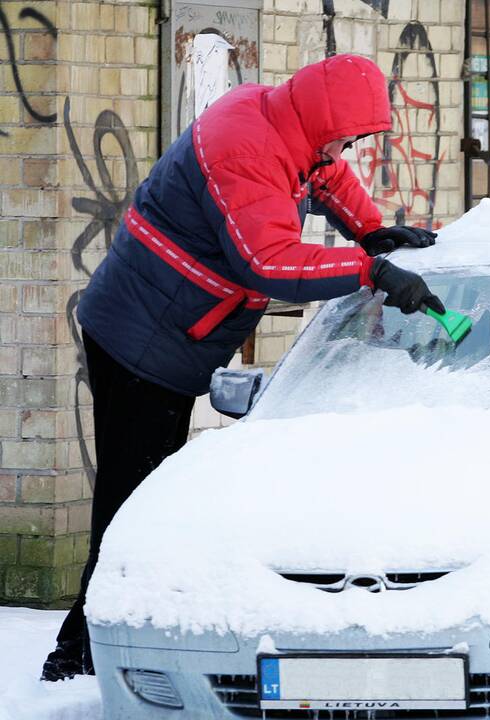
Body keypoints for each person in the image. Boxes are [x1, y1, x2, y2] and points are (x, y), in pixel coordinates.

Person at [40, 54, 443, 681]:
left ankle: (91, 643)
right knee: (130, 505)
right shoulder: (245, 149)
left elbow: (324, 175)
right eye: (350, 135)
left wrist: (371, 232)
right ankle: (76, 655)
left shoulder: (283, 123)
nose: (349, 148)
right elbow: (268, 261)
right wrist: (370, 270)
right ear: (324, 118)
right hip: (142, 336)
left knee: (141, 499)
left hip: (166, 330)